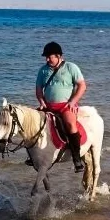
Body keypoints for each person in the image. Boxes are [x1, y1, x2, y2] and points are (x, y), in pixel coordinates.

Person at [35, 41, 87, 173]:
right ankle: (34, 156)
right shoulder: (43, 70)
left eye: (50, 56)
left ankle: (77, 159)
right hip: (47, 106)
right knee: (31, 123)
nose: (47, 59)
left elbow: (82, 85)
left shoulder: (71, 67)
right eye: (46, 57)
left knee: (70, 124)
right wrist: (41, 102)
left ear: (58, 56)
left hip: (65, 106)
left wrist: (73, 101)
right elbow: (39, 90)